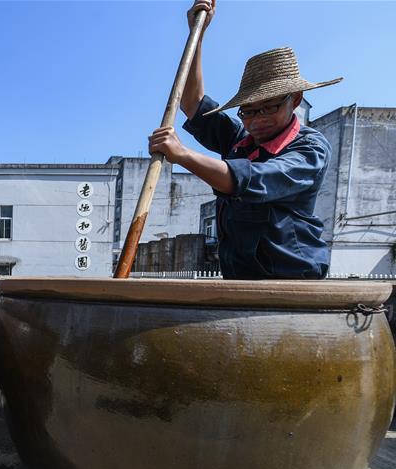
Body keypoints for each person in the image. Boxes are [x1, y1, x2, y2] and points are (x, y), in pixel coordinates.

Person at [147, 0, 342, 279]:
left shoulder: (309, 148)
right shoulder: (241, 142)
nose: (257, 120)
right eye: (248, 111)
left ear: (295, 100)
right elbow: (192, 103)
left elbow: (251, 178)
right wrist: (197, 34)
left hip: (291, 280)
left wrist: (184, 156)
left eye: (269, 108)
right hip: (240, 276)